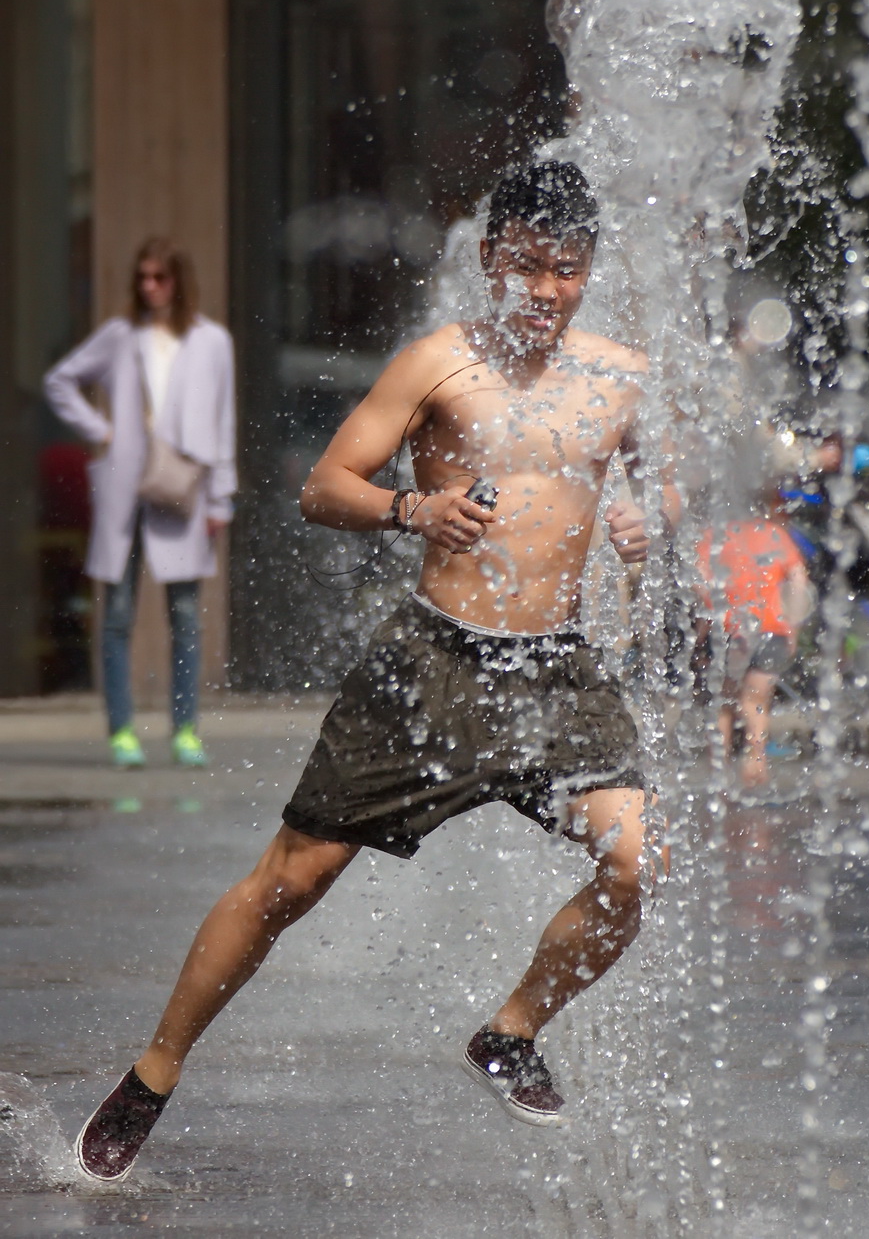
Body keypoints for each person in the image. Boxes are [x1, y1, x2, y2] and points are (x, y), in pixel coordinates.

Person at [73, 163, 675, 1183]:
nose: (546, 288)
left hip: (557, 673)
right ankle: (154, 1069)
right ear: (491, 261)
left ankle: (511, 1031)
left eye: (566, 270)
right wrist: (415, 509)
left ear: (588, 273)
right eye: (526, 265)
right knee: (292, 877)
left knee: (635, 862)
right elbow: (323, 487)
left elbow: (659, 495)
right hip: (433, 664)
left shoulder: (621, 377)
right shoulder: (437, 363)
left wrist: (640, 521)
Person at [43, 237, 236, 768]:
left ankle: (185, 730)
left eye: (160, 277)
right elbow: (60, 380)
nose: (150, 287)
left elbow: (223, 422)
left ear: (179, 280)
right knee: (118, 615)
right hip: (125, 486)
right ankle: (122, 730)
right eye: (143, 277)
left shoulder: (211, 341)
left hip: (182, 485)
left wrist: (222, 496)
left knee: (185, 616)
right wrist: (100, 429)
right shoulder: (118, 336)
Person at [696, 509, 811, 785]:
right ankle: (756, 759)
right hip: (771, 628)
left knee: (723, 701)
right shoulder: (775, 535)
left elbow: (700, 584)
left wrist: (701, 630)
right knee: (756, 700)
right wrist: (792, 626)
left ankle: (718, 770)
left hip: (728, 629)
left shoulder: (712, 536)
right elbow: (798, 581)